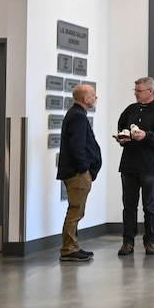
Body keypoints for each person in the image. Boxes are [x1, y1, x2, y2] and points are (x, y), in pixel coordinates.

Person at [114, 76, 154, 255]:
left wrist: (146, 136)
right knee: (128, 205)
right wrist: (123, 138)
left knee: (150, 206)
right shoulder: (130, 110)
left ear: (150, 91)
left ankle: (150, 241)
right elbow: (121, 128)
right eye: (135, 91)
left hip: (150, 167)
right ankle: (127, 241)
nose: (136, 94)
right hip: (129, 165)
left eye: (139, 91)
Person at [56, 83, 101, 260]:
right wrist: (84, 168)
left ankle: (73, 246)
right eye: (93, 95)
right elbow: (77, 146)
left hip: (78, 171)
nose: (96, 98)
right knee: (75, 210)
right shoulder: (78, 117)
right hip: (77, 173)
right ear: (86, 98)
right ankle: (68, 249)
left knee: (76, 210)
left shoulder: (76, 114)